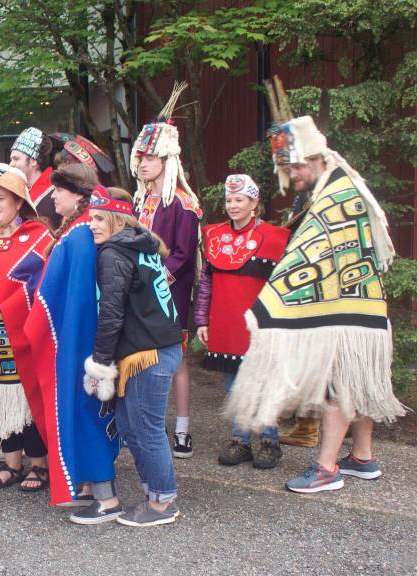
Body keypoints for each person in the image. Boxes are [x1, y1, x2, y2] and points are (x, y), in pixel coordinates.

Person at [227, 88, 405, 494]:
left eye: (293, 168)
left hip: (346, 310)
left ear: (312, 157)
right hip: (359, 308)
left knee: (338, 386)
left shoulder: (335, 195)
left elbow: (311, 255)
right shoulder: (336, 187)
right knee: (355, 380)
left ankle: (326, 469)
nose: (291, 177)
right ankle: (362, 458)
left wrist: (268, 305)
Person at [83, 186, 184, 527]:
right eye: (90, 218)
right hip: (158, 348)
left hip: (147, 354)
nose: (92, 225)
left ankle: (163, 503)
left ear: (117, 220)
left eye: (100, 218)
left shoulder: (113, 253)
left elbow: (110, 314)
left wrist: (99, 364)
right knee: (131, 426)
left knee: (145, 429)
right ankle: (154, 493)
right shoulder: (140, 244)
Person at [23, 164, 122, 516]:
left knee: (84, 410)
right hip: (78, 337)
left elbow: (75, 295)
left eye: (58, 190)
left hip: (77, 339)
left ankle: (106, 497)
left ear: (77, 195)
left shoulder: (81, 234)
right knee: (85, 410)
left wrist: (39, 325)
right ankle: (87, 485)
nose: (53, 196)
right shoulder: (80, 230)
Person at [195, 175, 291, 468]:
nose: (233, 205)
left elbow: (283, 286)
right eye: (229, 200)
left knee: (263, 384)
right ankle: (241, 440)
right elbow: (206, 283)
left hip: (260, 324)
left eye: (239, 200)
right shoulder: (213, 235)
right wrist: (201, 319)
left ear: (254, 203)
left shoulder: (275, 237)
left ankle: (270, 441)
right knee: (233, 385)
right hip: (224, 322)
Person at [0, 170, 54, 492]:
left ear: (19, 202)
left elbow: (36, 282)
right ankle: (12, 462)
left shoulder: (37, 237)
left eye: (1, 198)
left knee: (25, 397)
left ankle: (39, 464)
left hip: (19, 328)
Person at [130, 83, 202, 458]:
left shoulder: (183, 204)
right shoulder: (140, 200)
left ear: (167, 160)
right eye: (140, 157)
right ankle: (149, 425)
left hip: (168, 293)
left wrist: (152, 281)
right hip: (138, 291)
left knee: (176, 360)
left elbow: (182, 256)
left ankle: (183, 429)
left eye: (151, 158)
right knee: (143, 357)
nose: (144, 163)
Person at [8, 126, 61, 229]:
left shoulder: (56, 192)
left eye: (16, 159)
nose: (11, 164)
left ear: (33, 161)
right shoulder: (18, 190)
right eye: (11, 159)